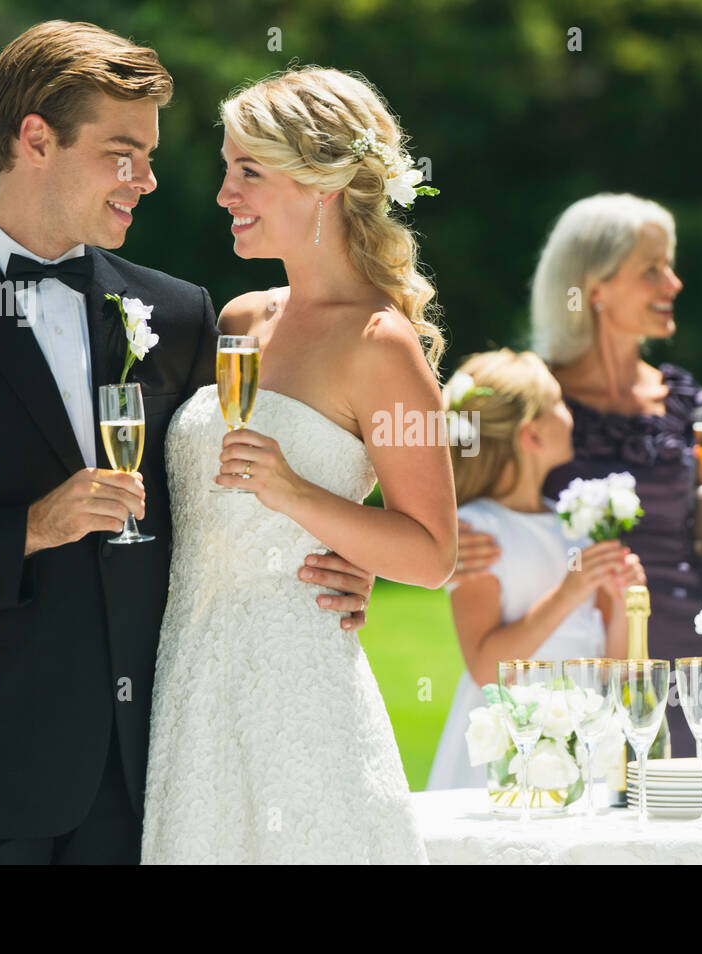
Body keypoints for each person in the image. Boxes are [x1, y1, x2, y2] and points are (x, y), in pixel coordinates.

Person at [0, 21, 373, 865]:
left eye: (150, 156)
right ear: (36, 140)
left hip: (154, 767)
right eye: (125, 154)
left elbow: (221, 489)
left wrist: (339, 553)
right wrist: (33, 526)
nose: (148, 181)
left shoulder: (182, 314)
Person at [140, 66, 457, 863]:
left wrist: (296, 494)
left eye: (247, 170)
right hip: (190, 681)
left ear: (321, 185)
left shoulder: (381, 348)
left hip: (299, 696)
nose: (224, 194)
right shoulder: (243, 319)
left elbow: (432, 552)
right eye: (226, 169)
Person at [451, 194, 702, 757]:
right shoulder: (537, 405)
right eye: (652, 269)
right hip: (582, 665)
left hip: (695, 652)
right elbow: (472, 488)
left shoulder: (690, 403)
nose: (674, 283)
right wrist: (447, 544)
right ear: (593, 288)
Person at [426, 350, 644, 790]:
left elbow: (613, 663)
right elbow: (488, 670)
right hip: (510, 745)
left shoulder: (573, 526)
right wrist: (568, 593)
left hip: (584, 735)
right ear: (532, 435)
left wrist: (624, 600)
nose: (570, 414)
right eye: (559, 403)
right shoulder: (480, 530)